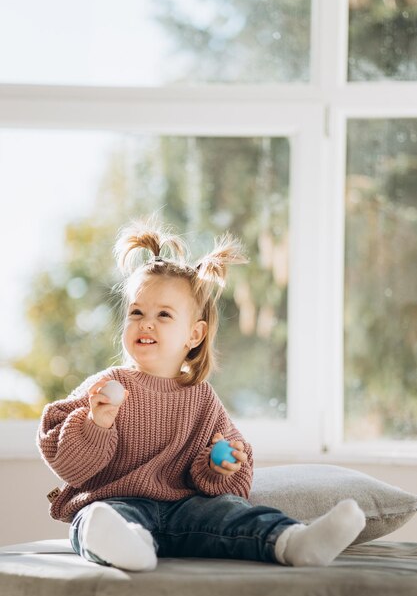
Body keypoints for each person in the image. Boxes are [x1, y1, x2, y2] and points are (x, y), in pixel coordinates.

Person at [37, 218, 365, 572]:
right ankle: (129, 546)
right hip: (117, 502)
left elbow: (229, 486)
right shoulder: (106, 385)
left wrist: (218, 466)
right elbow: (68, 466)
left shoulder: (201, 398)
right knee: (96, 519)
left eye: (163, 314)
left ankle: (292, 541)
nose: (146, 323)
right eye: (136, 312)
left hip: (184, 510)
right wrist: (95, 423)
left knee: (231, 513)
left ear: (194, 335)